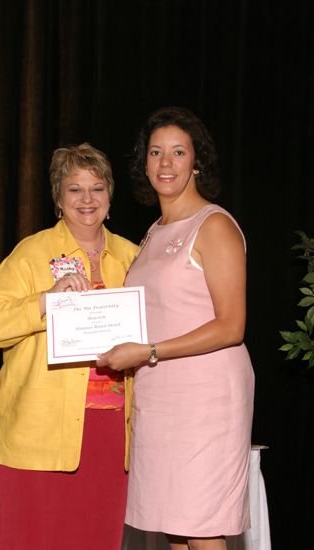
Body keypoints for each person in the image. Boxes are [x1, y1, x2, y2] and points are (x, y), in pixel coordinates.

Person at [96, 107, 255, 550]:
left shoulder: (214, 225)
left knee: (201, 526)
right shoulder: (153, 232)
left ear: (196, 162)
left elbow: (231, 325)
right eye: (156, 152)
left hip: (205, 397)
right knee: (173, 527)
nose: (166, 163)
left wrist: (147, 352)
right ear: (144, 164)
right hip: (160, 395)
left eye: (178, 152)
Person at [0, 143, 139, 550]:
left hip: (112, 435)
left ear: (110, 197)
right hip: (38, 432)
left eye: (96, 188)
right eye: (74, 189)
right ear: (58, 199)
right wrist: (45, 300)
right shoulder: (32, 253)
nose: (86, 200)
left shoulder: (135, 256)